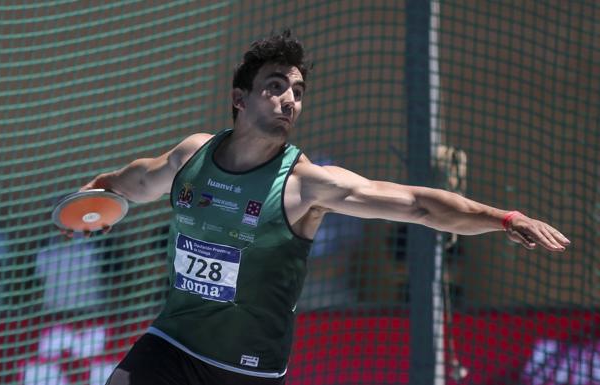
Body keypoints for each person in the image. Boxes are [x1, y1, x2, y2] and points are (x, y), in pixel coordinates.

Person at [74, 30, 569, 385]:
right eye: (275, 86)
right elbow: (136, 181)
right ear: (239, 99)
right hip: (174, 342)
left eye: (297, 92)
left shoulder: (306, 185)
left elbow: (418, 204)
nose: (289, 99)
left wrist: (503, 218)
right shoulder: (192, 155)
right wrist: (100, 194)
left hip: (249, 368)